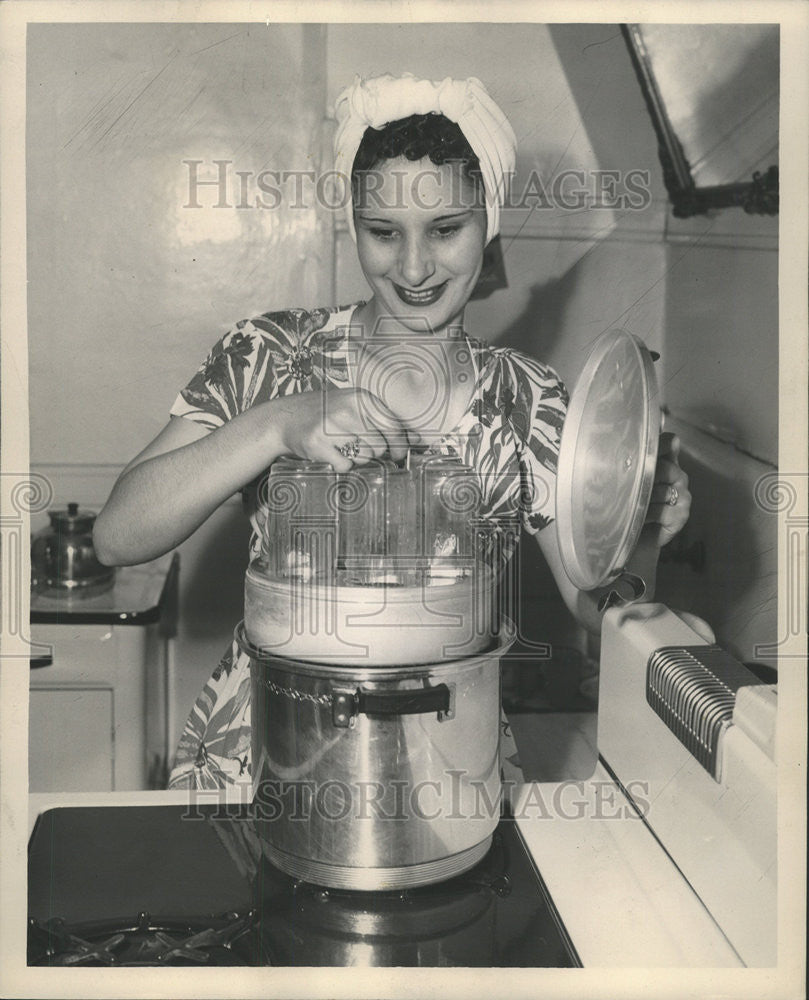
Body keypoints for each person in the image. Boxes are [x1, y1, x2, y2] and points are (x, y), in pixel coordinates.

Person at [93, 74, 690, 790]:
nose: (412, 268)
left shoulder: (528, 399)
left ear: (487, 224)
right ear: (353, 225)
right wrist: (275, 423)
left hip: (446, 765)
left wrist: (640, 526)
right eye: (384, 232)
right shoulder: (272, 354)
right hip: (261, 752)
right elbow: (117, 536)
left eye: (445, 230)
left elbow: (596, 607)